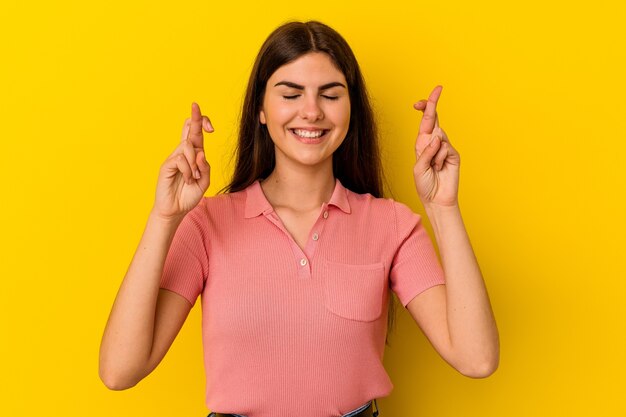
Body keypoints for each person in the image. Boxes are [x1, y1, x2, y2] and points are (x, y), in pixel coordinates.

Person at [99, 20, 499, 417]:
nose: (311, 112)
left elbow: (476, 359)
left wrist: (443, 208)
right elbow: (119, 370)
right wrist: (164, 216)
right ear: (260, 108)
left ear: (351, 109)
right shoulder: (208, 224)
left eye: (330, 95)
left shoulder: (391, 225)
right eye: (291, 94)